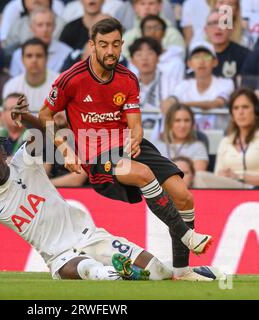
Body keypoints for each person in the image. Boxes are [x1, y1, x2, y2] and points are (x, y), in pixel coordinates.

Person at [38, 17, 213, 281]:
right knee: (142, 173)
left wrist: (136, 136)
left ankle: (182, 271)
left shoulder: (128, 79)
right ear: (92, 45)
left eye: (116, 44)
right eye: (104, 44)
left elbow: (135, 122)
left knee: (184, 196)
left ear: (122, 45)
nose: (110, 51)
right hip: (96, 154)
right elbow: (44, 114)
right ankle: (188, 236)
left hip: (127, 145)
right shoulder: (71, 79)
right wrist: (64, 149)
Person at [0, 110, 175, 282]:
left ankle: (128, 271)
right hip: (59, 257)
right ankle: (118, 273)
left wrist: (26, 117)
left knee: (160, 272)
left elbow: (43, 132)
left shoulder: (24, 161)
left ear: (3, 155)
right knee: (89, 270)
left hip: (88, 236)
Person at [161, 40, 234, 130]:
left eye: (206, 57)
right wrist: (169, 102)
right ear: (189, 63)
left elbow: (216, 103)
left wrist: (180, 105)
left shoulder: (226, 83)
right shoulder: (183, 85)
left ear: (215, 62)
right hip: (188, 138)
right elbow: (171, 99)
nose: (201, 62)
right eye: (196, 57)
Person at [9, 6, 72, 77]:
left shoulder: (67, 53)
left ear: (54, 27)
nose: (45, 29)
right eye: (40, 25)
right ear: (31, 28)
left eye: (49, 24)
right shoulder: (18, 55)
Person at [214, 87, 259, 187]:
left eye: (245, 107)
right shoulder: (225, 141)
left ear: (256, 111)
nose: (240, 112)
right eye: (236, 108)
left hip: (255, 193)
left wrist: (239, 177)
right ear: (232, 114)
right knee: (199, 176)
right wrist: (223, 175)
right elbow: (217, 175)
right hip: (229, 192)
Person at [3, 38, 59, 112]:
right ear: (22, 59)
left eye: (39, 56)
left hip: (50, 124)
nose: (34, 60)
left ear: (47, 58)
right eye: (29, 56)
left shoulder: (60, 84)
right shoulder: (11, 86)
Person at [152, 104, 209, 171]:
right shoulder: (157, 146)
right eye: (177, 120)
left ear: (192, 123)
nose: (182, 125)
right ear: (169, 123)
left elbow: (197, 176)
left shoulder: (199, 147)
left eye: (187, 120)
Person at [205, 9, 251, 83]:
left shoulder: (245, 56)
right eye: (213, 23)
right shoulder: (198, 54)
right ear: (206, 30)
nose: (218, 28)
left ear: (231, 29)